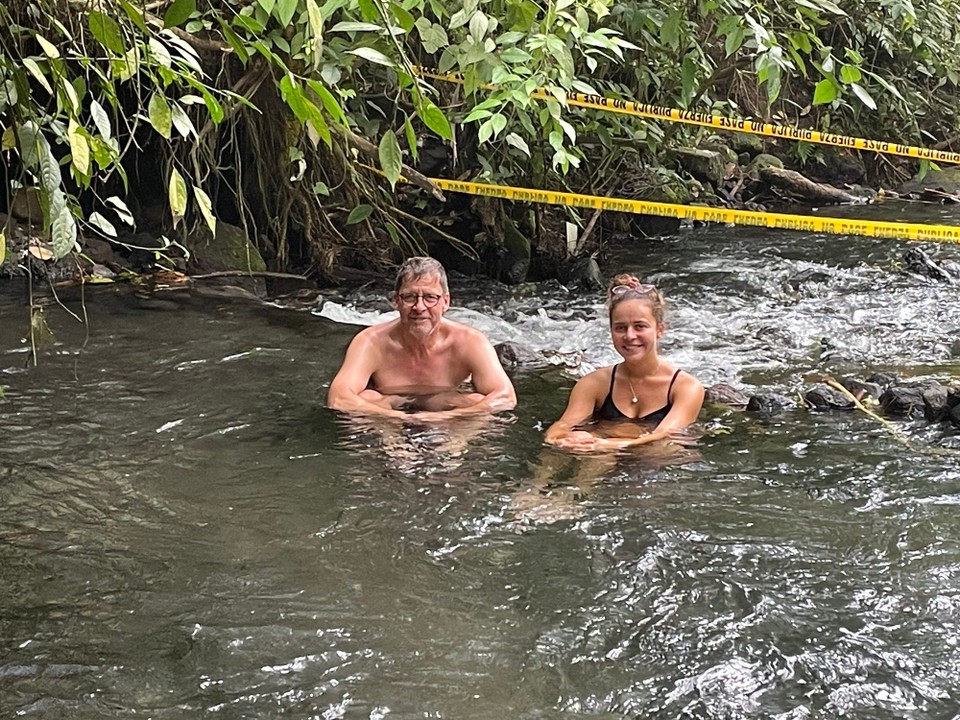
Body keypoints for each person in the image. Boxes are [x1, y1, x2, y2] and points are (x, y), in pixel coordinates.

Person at [327, 256, 517, 418]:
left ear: (445, 301)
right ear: (396, 301)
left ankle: (453, 453)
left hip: (448, 413)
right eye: (410, 297)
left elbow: (506, 397)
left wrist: (445, 417)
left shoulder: (469, 341)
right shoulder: (371, 342)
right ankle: (393, 452)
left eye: (429, 297)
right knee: (369, 398)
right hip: (387, 416)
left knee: (476, 401)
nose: (419, 307)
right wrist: (397, 418)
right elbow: (339, 398)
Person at [544, 274, 704, 452]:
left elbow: (666, 434)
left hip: (657, 464)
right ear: (611, 331)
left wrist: (610, 444)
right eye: (620, 328)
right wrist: (557, 438)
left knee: (666, 448)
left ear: (659, 330)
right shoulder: (594, 383)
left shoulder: (687, 387)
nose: (629, 336)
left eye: (640, 326)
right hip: (602, 456)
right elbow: (565, 424)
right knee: (583, 446)